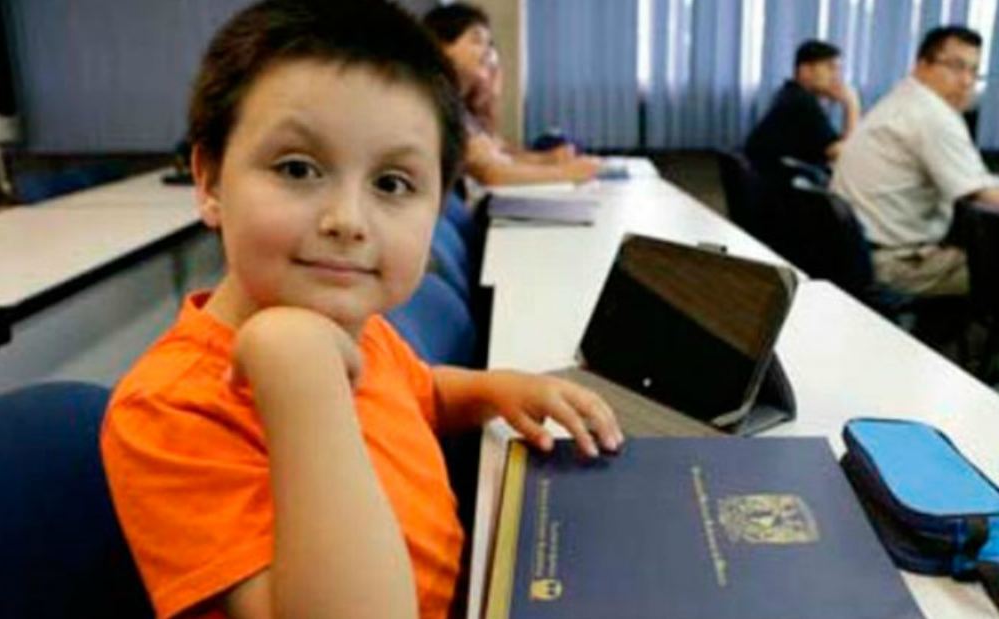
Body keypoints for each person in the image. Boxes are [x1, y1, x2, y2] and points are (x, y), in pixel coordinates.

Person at [100, 2, 624, 618]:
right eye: (298, 168)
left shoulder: (361, 328)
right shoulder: (169, 409)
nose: (347, 220)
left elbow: (421, 392)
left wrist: (497, 388)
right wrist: (303, 379)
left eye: (392, 183)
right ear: (211, 181)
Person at [831, 26, 999, 298]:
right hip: (896, 265)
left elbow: (976, 185)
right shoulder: (932, 114)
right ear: (922, 65)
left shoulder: (902, 100)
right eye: (955, 67)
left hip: (856, 253)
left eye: (974, 71)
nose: (966, 81)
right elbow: (988, 202)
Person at [423, 3, 600, 185]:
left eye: (489, 44)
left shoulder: (458, 106)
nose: (488, 52)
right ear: (441, 46)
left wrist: (547, 160)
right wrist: (568, 172)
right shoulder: (435, 102)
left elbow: (497, 152)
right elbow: (492, 174)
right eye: (477, 40)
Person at [744, 39, 860, 172]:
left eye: (838, 70)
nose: (837, 77)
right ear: (805, 71)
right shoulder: (802, 103)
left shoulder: (791, 93)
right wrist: (851, 105)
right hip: (780, 181)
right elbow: (843, 156)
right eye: (830, 68)